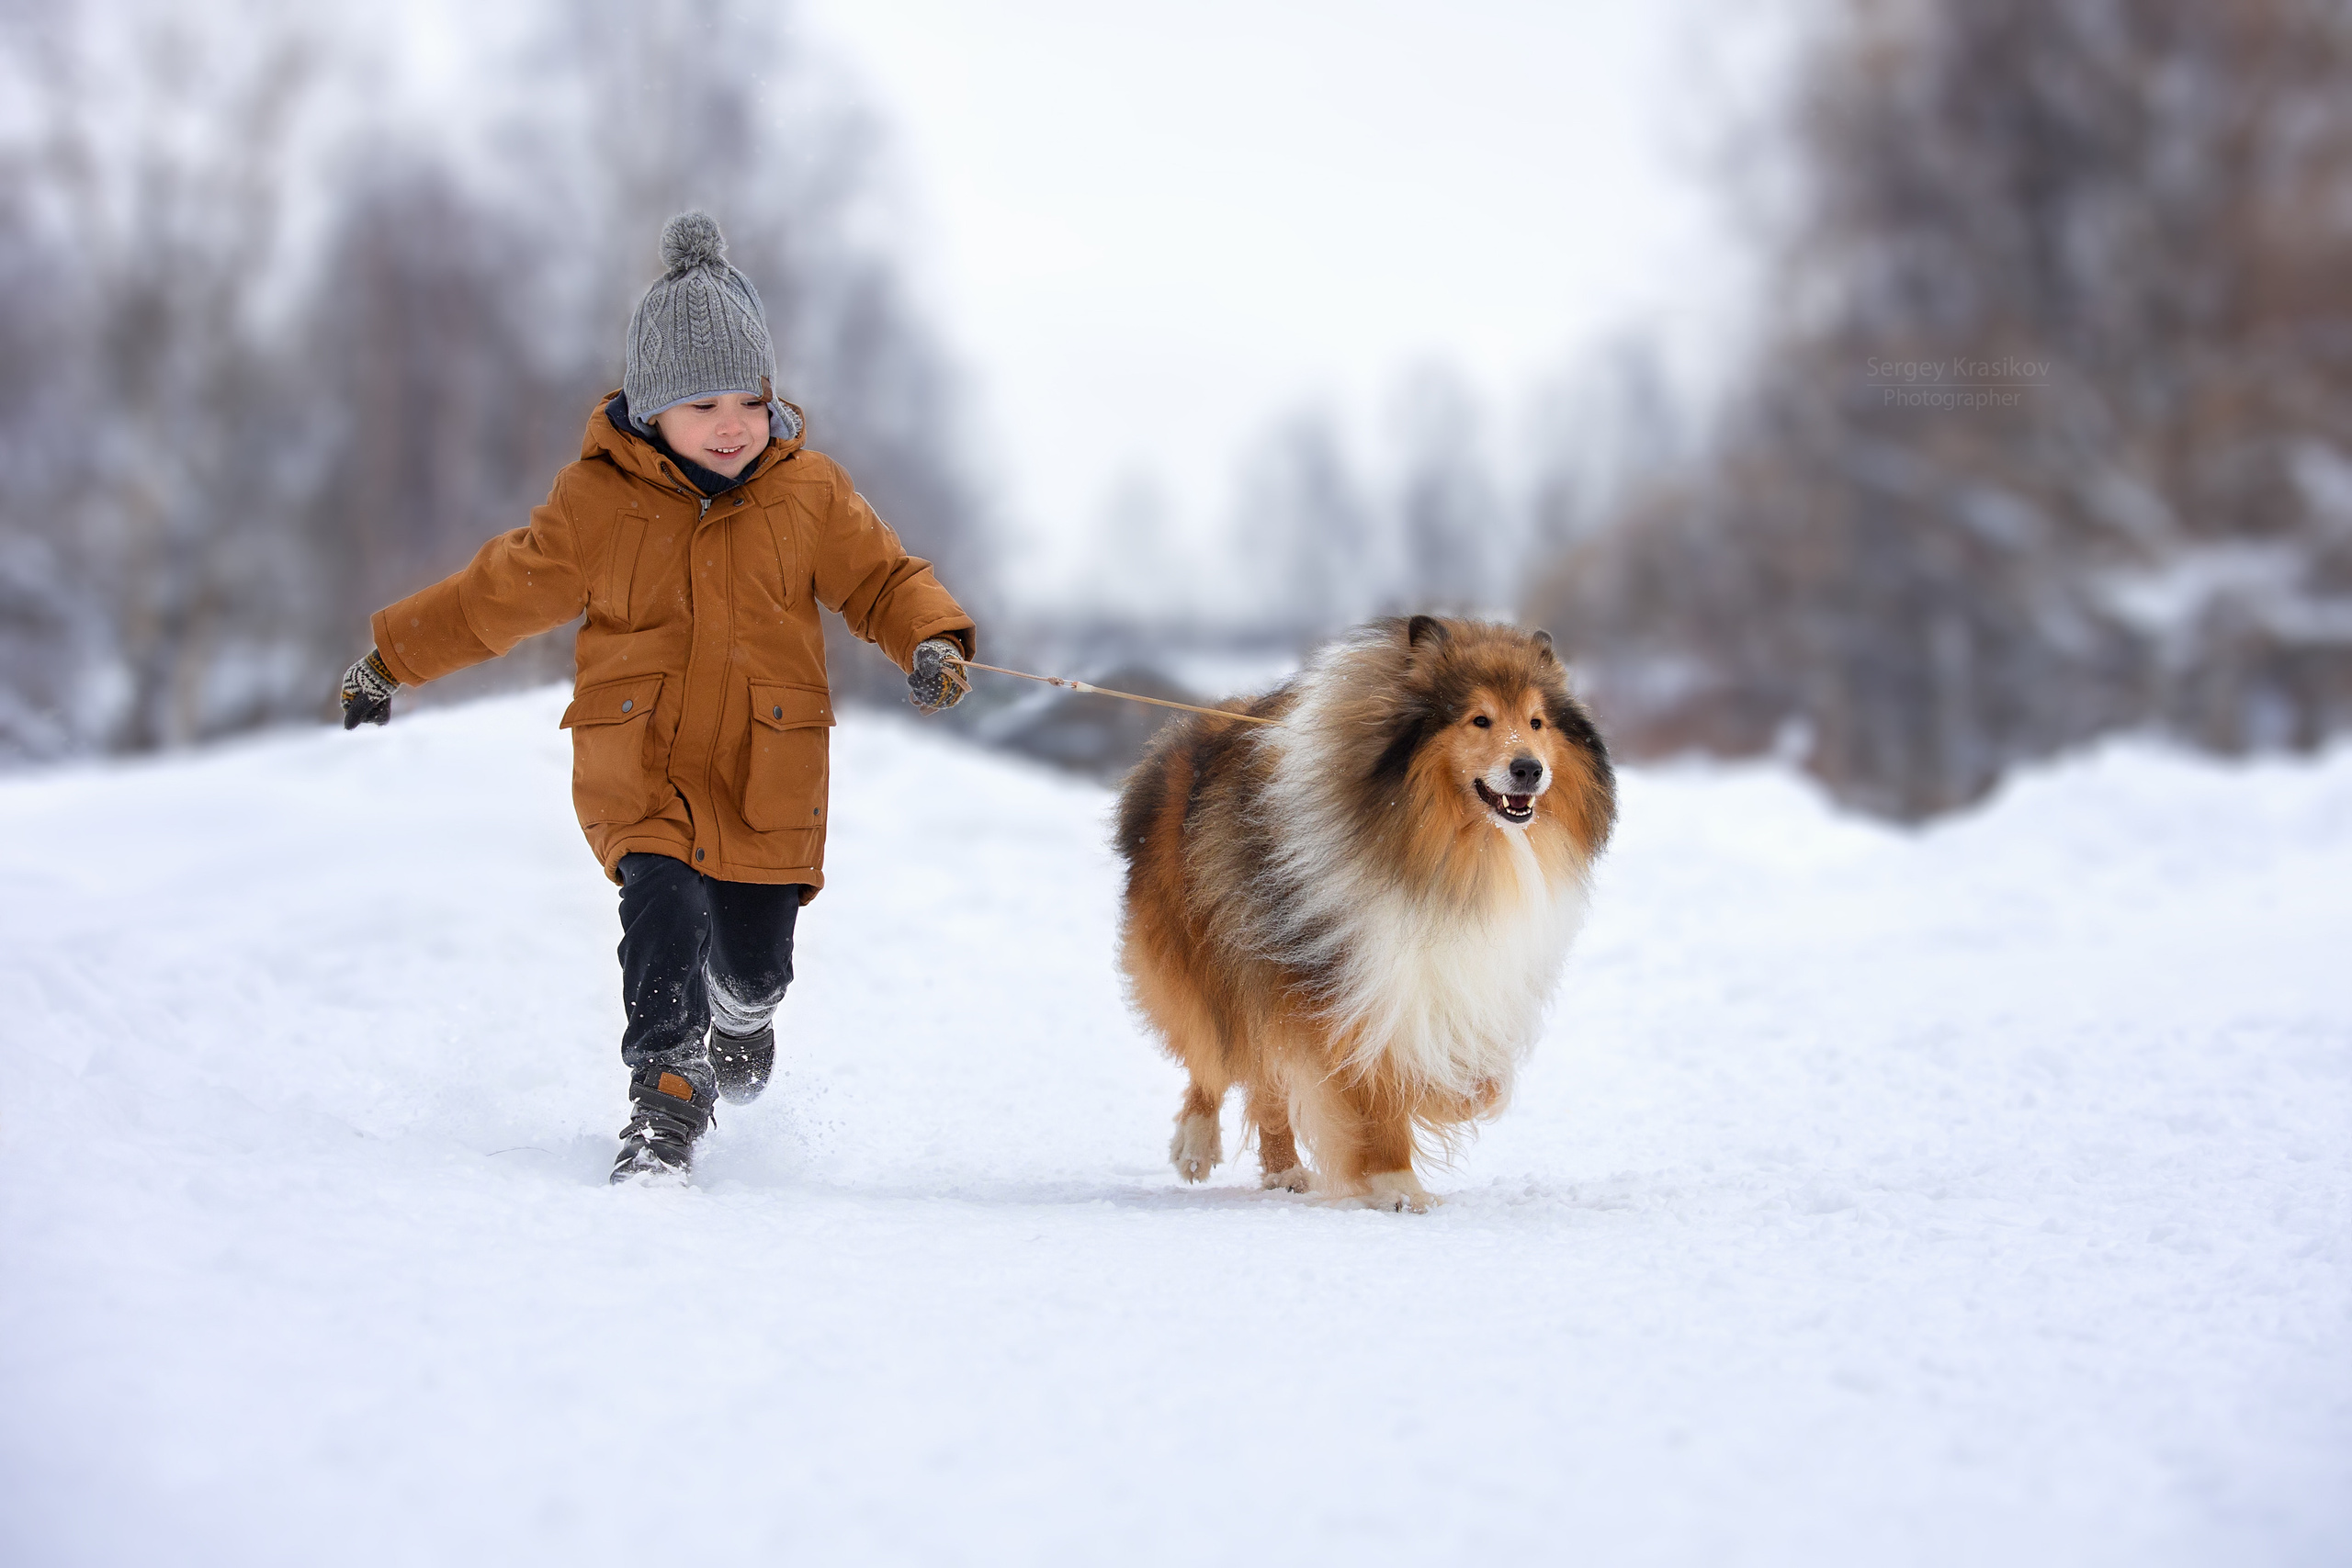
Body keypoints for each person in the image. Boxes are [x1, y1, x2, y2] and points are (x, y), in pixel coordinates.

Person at [338, 212, 975, 1184]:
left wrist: (928, 640)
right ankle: (666, 1099)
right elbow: (497, 595)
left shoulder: (809, 494)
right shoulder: (597, 506)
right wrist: (391, 659)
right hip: (641, 771)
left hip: (769, 773)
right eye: (701, 403)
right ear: (649, 411)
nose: (732, 423)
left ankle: (742, 1013)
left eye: (749, 401)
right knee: (663, 915)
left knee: (757, 966)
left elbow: (882, 580)